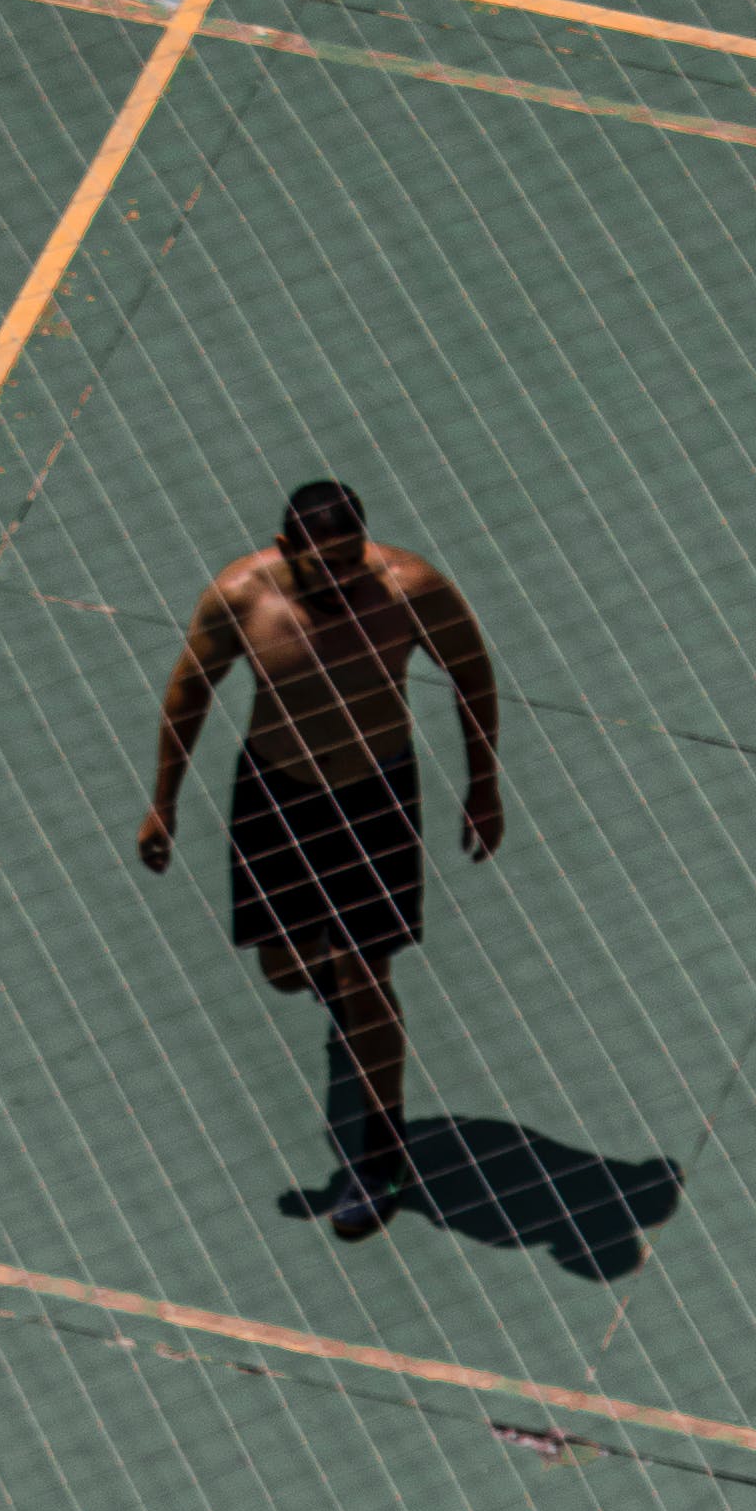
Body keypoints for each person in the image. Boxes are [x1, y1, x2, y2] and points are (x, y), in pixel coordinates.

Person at [141, 479, 501, 1238]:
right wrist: (164, 802)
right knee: (284, 968)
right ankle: (344, 1000)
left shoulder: (412, 590)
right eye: (322, 565)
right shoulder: (240, 597)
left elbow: (472, 675)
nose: (339, 578)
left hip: (375, 795)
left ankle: (381, 1151)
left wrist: (484, 787)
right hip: (279, 795)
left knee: (366, 971)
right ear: (285, 552)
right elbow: (187, 694)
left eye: (350, 561)